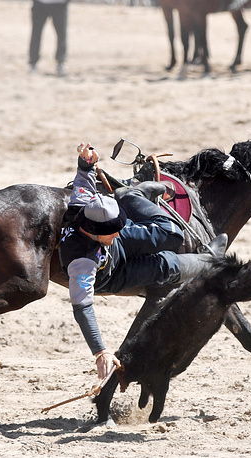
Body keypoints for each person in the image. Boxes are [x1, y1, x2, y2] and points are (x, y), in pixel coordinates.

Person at [59, 142, 227, 380]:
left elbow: (83, 180)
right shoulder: (83, 264)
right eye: (112, 230)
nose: (118, 231)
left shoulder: (84, 205)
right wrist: (100, 351)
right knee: (165, 265)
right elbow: (82, 308)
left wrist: (86, 162)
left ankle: (130, 194)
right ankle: (210, 259)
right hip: (113, 274)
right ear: (94, 232)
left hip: (112, 247)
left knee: (172, 233)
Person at [28, 0, 70, 76]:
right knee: (36, 33)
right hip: (40, 4)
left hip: (60, 4)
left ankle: (60, 63)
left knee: (61, 34)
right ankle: (33, 63)